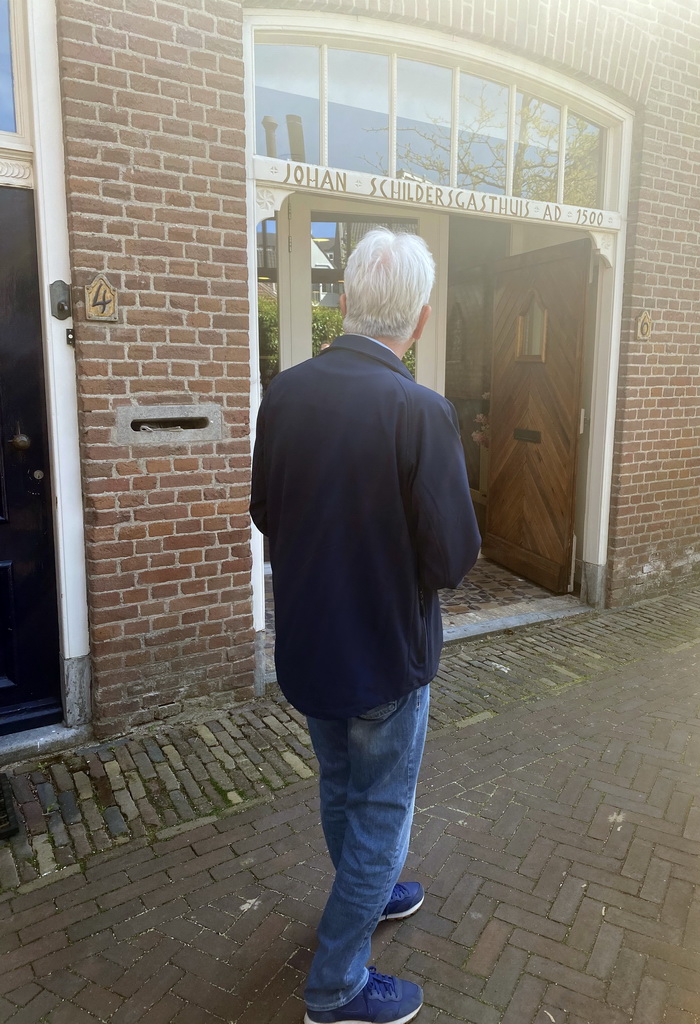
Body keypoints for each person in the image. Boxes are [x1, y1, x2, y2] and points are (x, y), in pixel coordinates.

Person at [250, 228, 481, 1024]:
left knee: (342, 788)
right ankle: (336, 986)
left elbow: (264, 514)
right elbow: (453, 557)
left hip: (311, 648)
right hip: (387, 654)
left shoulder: (283, 394)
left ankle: (370, 893)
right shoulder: (421, 411)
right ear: (417, 320)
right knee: (382, 808)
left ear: (342, 305)